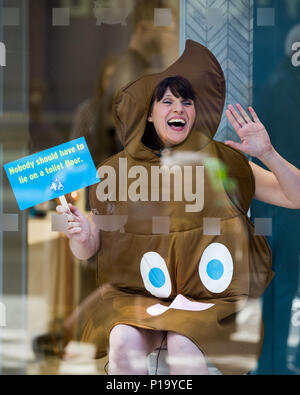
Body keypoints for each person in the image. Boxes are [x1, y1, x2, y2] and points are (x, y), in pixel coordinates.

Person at [56, 41, 300, 375]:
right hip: (140, 298)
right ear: (150, 114)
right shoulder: (118, 171)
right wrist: (81, 234)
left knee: (183, 343)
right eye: (167, 101)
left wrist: (268, 153)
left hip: (205, 300)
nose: (179, 109)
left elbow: (295, 196)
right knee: (122, 341)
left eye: (187, 102)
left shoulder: (222, 162)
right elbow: (87, 250)